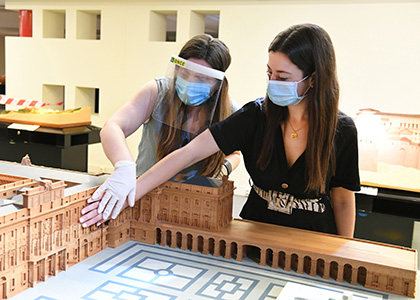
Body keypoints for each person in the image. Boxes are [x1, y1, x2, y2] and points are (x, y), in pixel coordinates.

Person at [81, 23, 360, 238]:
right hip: (255, 231)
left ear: (313, 79)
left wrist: (345, 251)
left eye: (283, 78)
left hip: (313, 235)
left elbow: (343, 199)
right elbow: (188, 153)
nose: (273, 83)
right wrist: (129, 186)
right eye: (269, 74)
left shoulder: (342, 130)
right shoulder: (255, 116)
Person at [84, 34, 241, 221]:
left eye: (201, 78)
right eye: (184, 73)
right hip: (143, 195)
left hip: (195, 203)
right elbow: (113, 126)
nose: (190, 82)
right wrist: (124, 166)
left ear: (217, 84)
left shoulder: (229, 111)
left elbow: (236, 153)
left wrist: (224, 168)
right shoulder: (158, 92)